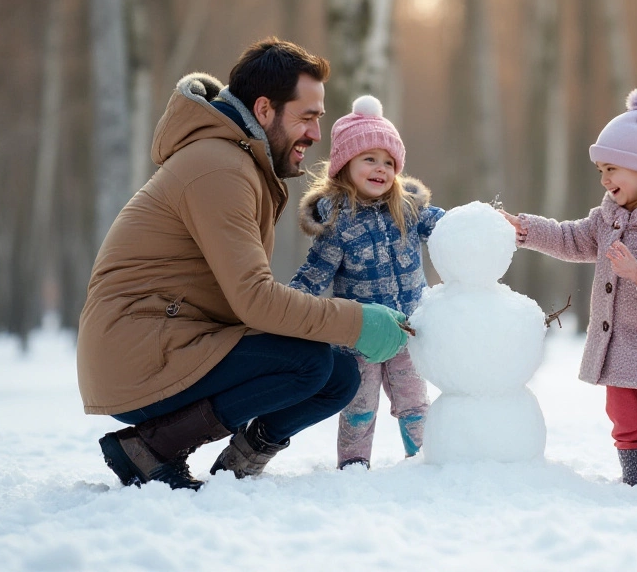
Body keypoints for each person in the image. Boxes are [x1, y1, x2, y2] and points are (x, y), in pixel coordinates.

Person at [77, 38, 411, 491]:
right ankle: (150, 448)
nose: (316, 134)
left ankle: (242, 460)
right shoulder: (220, 168)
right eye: (307, 116)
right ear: (265, 109)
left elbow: (242, 299)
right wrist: (357, 322)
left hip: (177, 341)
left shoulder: (239, 163)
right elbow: (254, 299)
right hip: (140, 354)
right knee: (310, 363)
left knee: (338, 373)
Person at [500, 88, 637, 494]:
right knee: (622, 414)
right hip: (616, 340)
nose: (605, 179)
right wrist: (527, 229)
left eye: (612, 169)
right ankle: (634, 481)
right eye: (601, 170)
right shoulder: (608, 217)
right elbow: (571, 238)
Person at [290, 95, 444, 470]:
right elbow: (314, 274)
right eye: (369, 159)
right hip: (360, 336)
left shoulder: (407, 208)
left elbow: (449, 228)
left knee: (414, 402)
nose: (381, 169)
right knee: (360, 407)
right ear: (345, 164)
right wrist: (283, 306)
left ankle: (423, 460)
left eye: (389, 162)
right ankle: (354, 465)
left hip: (409, 330)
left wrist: (482, 225)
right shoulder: (338, 223)